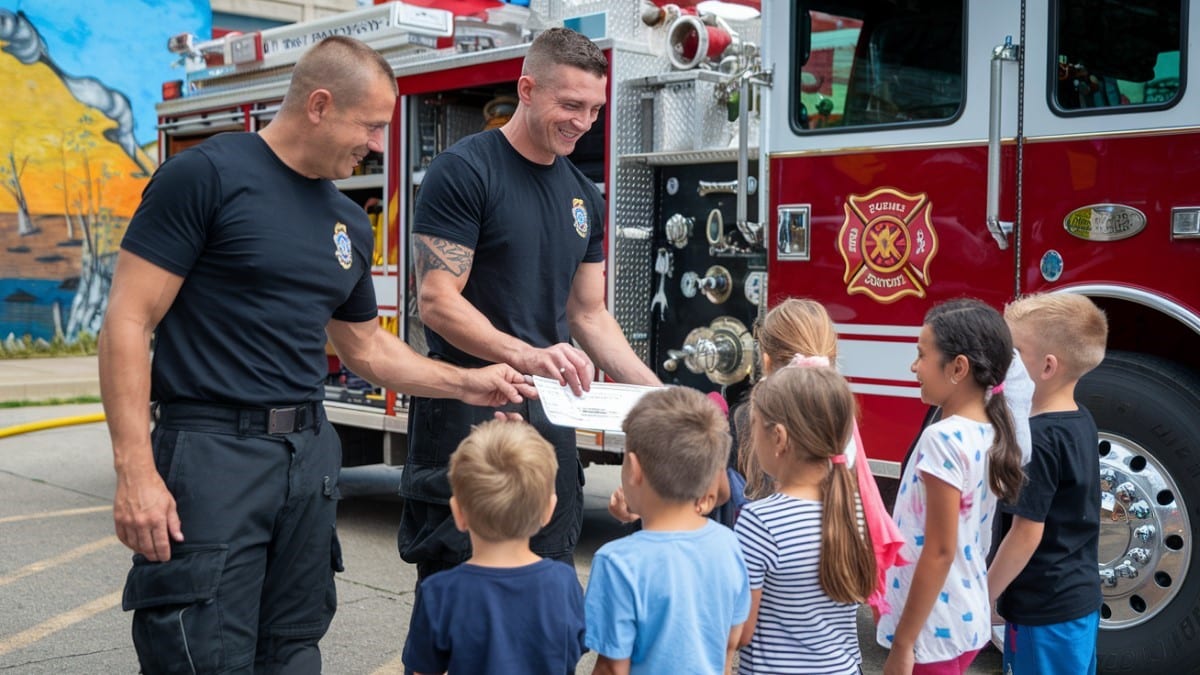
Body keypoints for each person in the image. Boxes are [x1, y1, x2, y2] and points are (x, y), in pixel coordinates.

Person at [99, 36, 533, 674]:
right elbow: (128, 322)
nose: (379, 146)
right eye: (371, 126)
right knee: (203, 653)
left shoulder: (347, 221)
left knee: (294, 648)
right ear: (320, 105)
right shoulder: (206, 177)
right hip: (214, 452)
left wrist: (466, 382)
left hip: (307, 456)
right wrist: (135, 472)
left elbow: (364, 347)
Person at [401, 26, 660, 579]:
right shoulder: (464, 171)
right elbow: (437, 302)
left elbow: (587, 314)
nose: (583, 122)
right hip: (466, 418)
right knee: (462, 591)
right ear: (526, 88)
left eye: (594, 109)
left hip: (549, 422)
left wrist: (654, 392)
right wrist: (530, 355)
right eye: (570, 104)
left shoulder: (585, 196)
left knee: (549, 581)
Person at [876, 298, 1024, 675]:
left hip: (932, 631)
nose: (914, 366)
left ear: (958, 368)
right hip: (965, 617)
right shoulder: (992, 430)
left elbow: (939, 552)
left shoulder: (942, 439)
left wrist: (904, 644)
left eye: (922, 355)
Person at [585, 386, 750, 674]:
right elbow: (730, 643)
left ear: (634, 469)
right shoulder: (729, 545)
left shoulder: (617, 562)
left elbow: (612, 667)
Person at [402, 419, 586, 675]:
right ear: (548, 510)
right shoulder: (564, 584)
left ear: (458, 513)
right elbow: (569, 656)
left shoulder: (439, 593)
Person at [988, 294, 1107, 674]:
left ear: (1046, 366)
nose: (1001, 363)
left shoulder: (1038, 440)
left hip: (1043, 612)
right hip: (1078, 602)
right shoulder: (1080, 419)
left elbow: (1025, 534)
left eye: (1013, 352)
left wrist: (983, 597)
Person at [734, 360, 877, 674]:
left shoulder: (759, 522)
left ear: (779, 438)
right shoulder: (849, 507)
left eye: (754, 424)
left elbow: (742, 632)